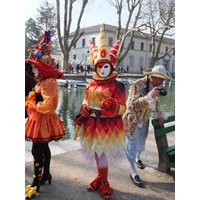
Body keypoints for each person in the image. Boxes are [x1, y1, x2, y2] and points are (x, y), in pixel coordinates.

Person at [74, 25, 126, 200]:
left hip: (107, 125)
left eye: (106, 67)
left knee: (102, 153)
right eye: (99, 66)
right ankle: (100, 177)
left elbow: (123, 107)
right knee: (97, 152)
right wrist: (84, 107)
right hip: (92, 124)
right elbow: (85, 100)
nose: (102, 70)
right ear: (95, 67)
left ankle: (105, 182)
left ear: (111, 67)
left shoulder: (117, 85)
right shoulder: (91, 84)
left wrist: (113, 106)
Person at [25, 31, 65, 199]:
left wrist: (33, 104)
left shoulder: (49, 81)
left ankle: (36, 182)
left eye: (35, 67)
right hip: (39, 119)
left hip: (44, 119)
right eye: (32, 67)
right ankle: (46, 174)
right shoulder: (41, 81)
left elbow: (51, 104)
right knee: (43, 147)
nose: (33, 70)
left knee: (36, 149)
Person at [122, 65, 171, 187]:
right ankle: (133, 171)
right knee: (132, 146)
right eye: (162, 79)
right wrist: (149, 96)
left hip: (144, 121)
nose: (163, 82)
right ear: (154, 77)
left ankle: (138, 158)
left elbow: (156, 101)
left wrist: (160, 113)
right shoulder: (137, 84)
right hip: (132, 120)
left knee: (141, 145)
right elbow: (131, 104)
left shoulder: (155, 86)